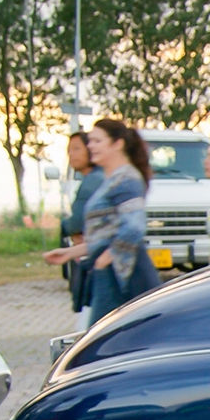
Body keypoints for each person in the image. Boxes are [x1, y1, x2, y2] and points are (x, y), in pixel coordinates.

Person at [42, 119, 161, 323]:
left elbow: (134, 226)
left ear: (118, 144)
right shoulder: (113, 179)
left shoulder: (126, 179)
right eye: (90, 141)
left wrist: (106, 258)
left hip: (122, 274)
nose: (90, 146)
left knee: (103, 345)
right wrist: (70, 253)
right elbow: (107, 234)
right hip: (110, 271)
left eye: (97, 141)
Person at [61, 131, 105, 319]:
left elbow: (76, 223)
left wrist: (64, 226)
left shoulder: (92, 180)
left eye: (77, 148)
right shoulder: (96, 178)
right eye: (69, 150)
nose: (72, 154)